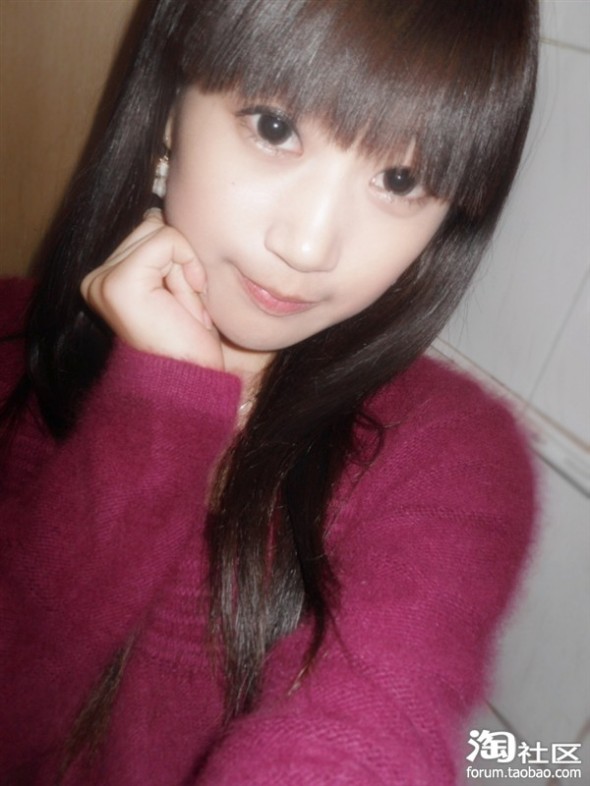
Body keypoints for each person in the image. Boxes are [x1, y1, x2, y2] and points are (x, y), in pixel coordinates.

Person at [0, 0, 539, 783]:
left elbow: (374, 728)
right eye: (275, 128)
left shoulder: (449, 459)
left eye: (400, 179)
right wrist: (158, 412)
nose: (309, 245)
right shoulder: (10, 343)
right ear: (170, 111)